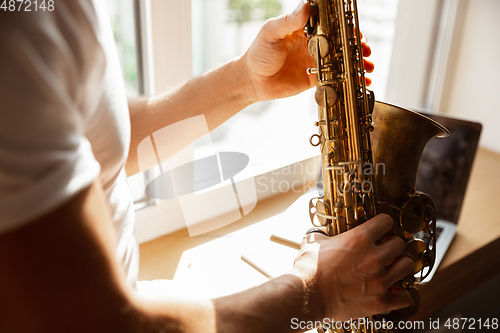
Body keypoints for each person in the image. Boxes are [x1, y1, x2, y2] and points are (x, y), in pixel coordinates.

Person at [0, 0, 413, 332]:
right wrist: (318, 290)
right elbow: (102, 323)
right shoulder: (14, 30)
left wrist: (245, 80)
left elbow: (101, 140)